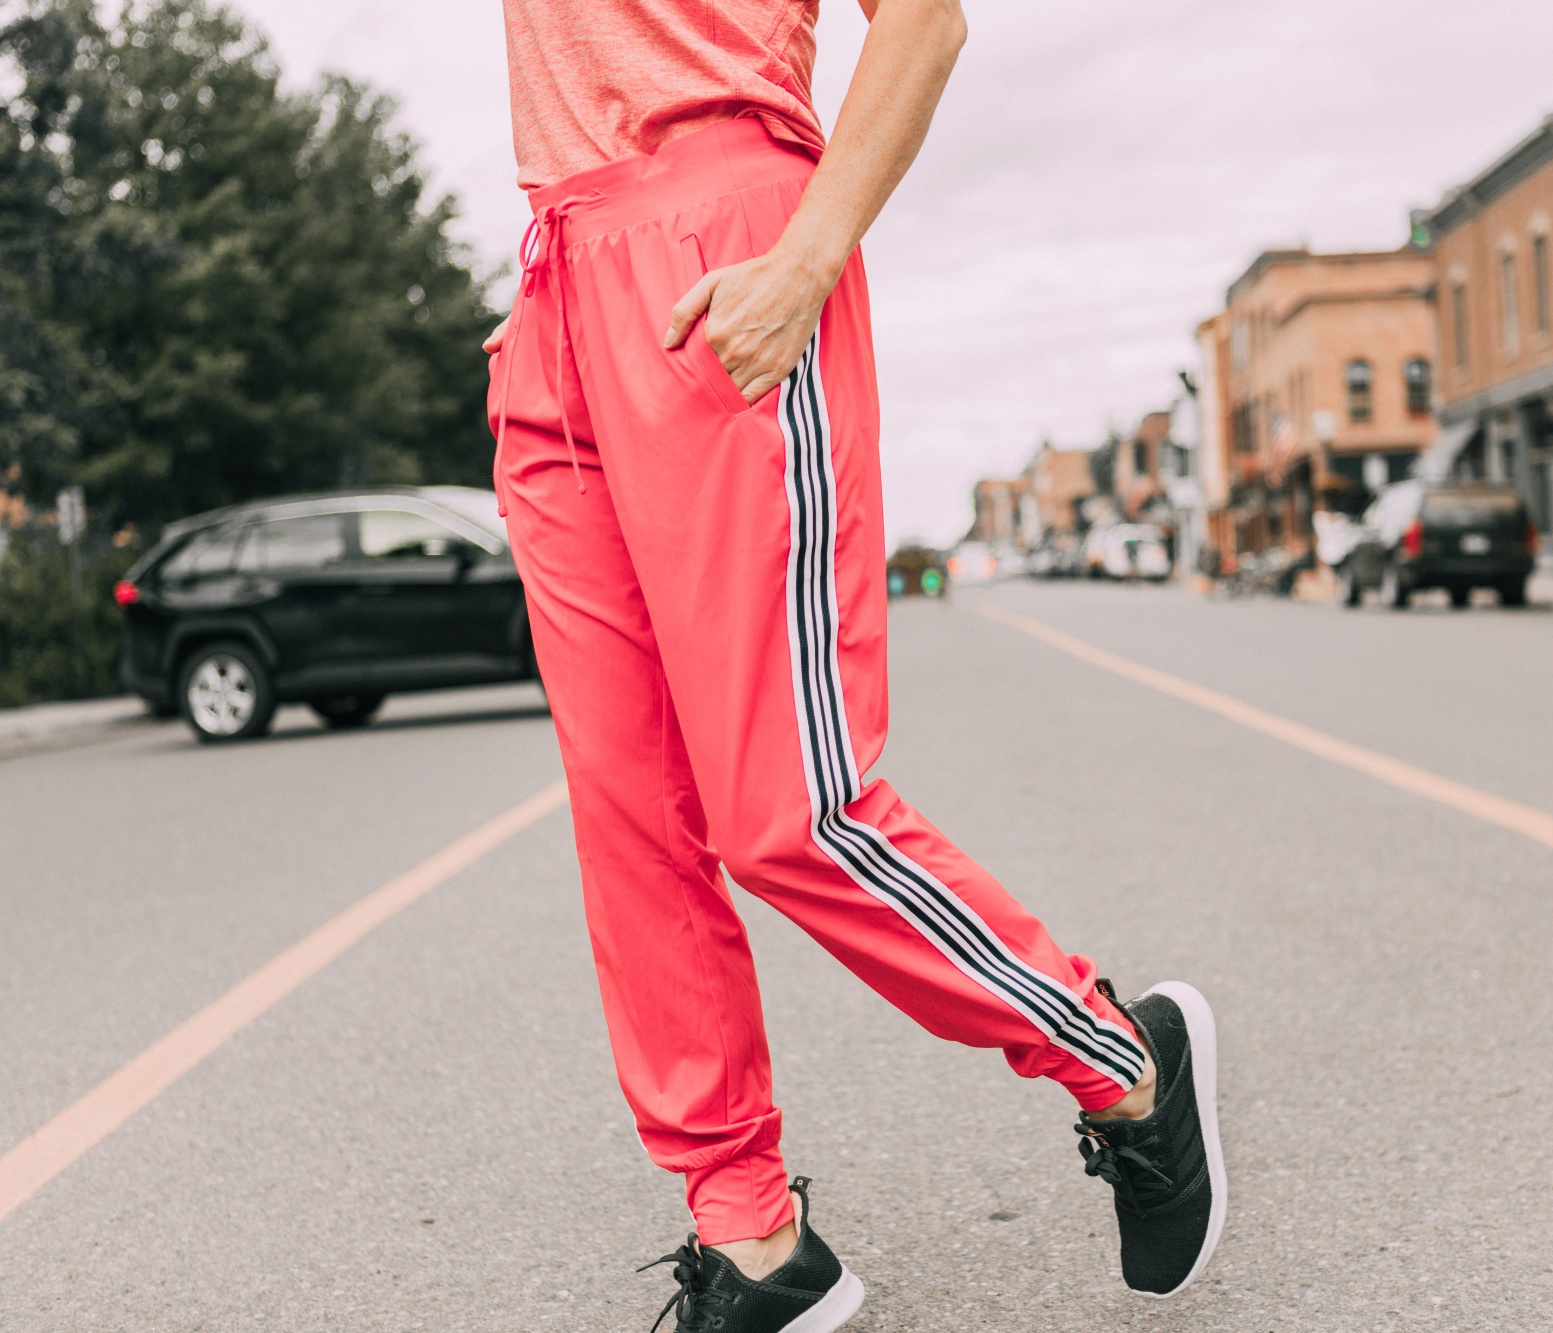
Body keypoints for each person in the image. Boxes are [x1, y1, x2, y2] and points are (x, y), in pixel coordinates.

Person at [484, 2, 1226, 1328]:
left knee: (789, 812)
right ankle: (752, 1234)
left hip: (727, 255)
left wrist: (807, 256)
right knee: (629, 818)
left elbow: (925, 22)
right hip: (558, 288)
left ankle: (1124, 1059)